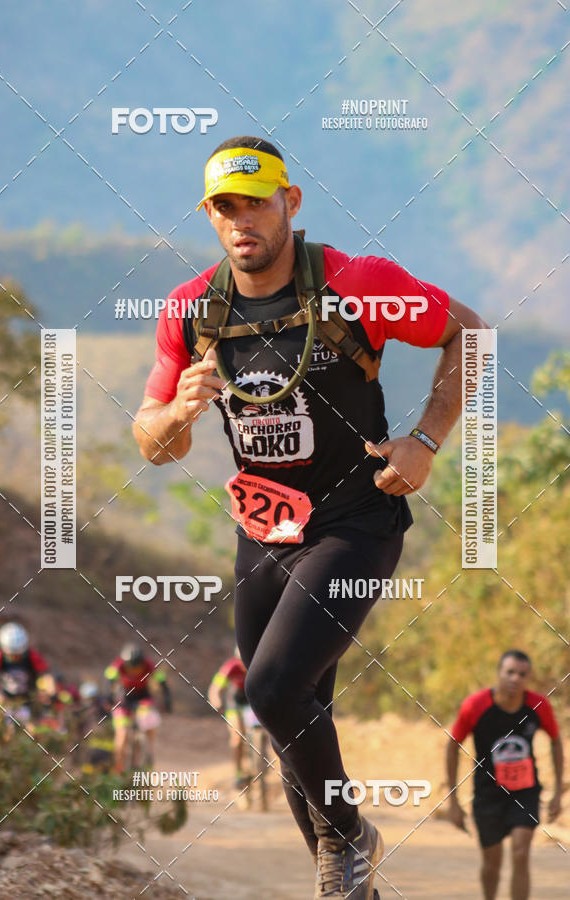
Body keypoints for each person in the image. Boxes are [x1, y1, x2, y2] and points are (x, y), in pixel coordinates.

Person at [133, 135, 485, 899]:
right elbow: (151, 437)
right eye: (224, 208)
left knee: (271, 690)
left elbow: (471, 333)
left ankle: (352, 835)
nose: (240, 222)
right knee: (296, 716)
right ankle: (348, 881)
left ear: (290, 202)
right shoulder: (190, 309)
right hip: (263, 530)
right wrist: (176, 420)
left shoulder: (360, 284)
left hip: (355, 521)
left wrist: (425, 440)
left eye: (255, 202)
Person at [446, 650, 564, 900]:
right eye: (510, 672)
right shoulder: (475, 706)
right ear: (499, 673)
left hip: (525, 791)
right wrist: (453, 801)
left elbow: (556, 740)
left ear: (528, 678)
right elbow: (453, 744)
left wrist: (556, 795)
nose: (515, 678)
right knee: (493, 863)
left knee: (521, 854)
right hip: (488, 794)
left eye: (522, 674)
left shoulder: (538, 705)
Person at [105, 642, 171, 773]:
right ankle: (118, 768)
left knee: (149, 719)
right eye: (130, 665)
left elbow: (162, 682)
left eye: (137, 665)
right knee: (122, 734)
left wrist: (168, 701)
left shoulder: (149, 664)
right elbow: (108, 680)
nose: (134, 669)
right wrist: (109, 697)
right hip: (124, 698)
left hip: (143, 697)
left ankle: (149, 750)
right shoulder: (118, 664)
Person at [0, 623, 56, 720]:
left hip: (28, 699)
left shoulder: (33, 656)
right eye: (11, 654)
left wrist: (51, 694)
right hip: (5, 698)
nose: (15, 657)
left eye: (18, 654)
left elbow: (47, 677)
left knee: (42, 715)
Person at [208, 647, 250, 787]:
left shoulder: (256, 664)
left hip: (251, 702)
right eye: (242, 661)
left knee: (261, 731)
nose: (244, 664)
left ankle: (260, 758)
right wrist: (217, 701)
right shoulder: (230, 666)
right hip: (235, 702)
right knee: (237, 736)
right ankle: (238, 772)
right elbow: (215, 688)